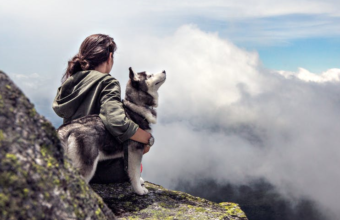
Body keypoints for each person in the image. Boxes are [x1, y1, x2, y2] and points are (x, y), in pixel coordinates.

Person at [52, 34, 152, 182]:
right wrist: (146, 138)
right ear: (110, 56)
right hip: (100, 170)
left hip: (72, 163)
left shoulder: (70, 82)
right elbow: (116, 120)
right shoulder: (107, 82)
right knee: (136, 163)